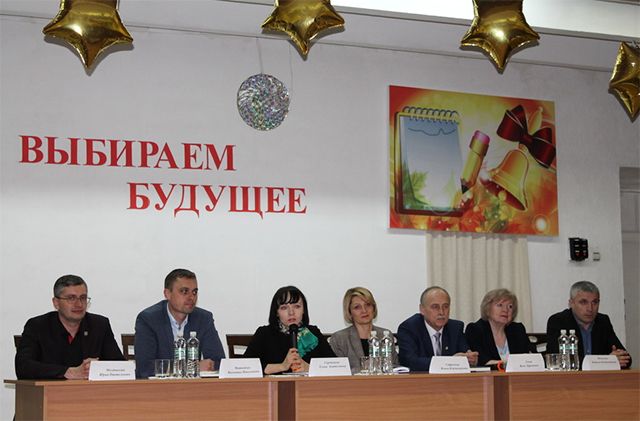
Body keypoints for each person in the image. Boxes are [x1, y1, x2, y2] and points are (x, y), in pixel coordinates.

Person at [15, 274, 124, 379]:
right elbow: (23, 366)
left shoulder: (99, 325)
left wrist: (99, 367)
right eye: (71, 298)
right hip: (51, 390)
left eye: (83, 298)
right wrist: (68, 372)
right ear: (56, 303)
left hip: (91, 391)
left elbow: (120, 367)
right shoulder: (37, 326)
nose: (79, 304)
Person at [134, 268, 225, 378]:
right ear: (167, 294)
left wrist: (210, 365)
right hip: (159, 386)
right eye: (184, 291)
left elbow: (219, 362)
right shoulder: (148, 319)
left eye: (194, 292)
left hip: (193, 387)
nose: (191, 297)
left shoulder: (203, 319)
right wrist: (191, 368)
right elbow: (144, 367)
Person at [244, 285, 335, 374]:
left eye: (297, 306)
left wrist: (308, 367)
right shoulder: (264, 334)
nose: (291, 312)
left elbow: (335, 366)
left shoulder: (313, 333)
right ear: (276, 312)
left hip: (308, 384)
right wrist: (282, 366)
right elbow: (245, 367)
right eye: (284, 308)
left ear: (304, 310)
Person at [546, 281, 631, 368]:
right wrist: (606, 361)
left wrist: (610, 360)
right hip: (572, 376)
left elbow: (627, 359)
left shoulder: (603, 321)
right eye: (583, 302)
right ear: (571, 303)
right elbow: (556, 359)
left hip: (600, 376)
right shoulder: (558, 321)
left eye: (595, 302)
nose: (590, 308)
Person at [397, 286, 478, 371]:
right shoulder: (409, 328)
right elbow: (410, 361)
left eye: (445, 306)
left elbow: (465, 354)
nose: (441, 312)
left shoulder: (455, 328)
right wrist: (450, 361)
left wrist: (470, 358)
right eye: (435, 307)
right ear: (422, 309)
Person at [330, 287, 398, 372]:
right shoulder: (340, 339)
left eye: (368, 305)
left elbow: (395, 366)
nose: (364, 310)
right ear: (349, 312)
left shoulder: (385, 335)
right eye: (357, 307)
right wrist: (365, 368)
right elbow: (337, 371)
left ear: (374, 308)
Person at [464, 289, 531, 367]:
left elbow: (530, 357)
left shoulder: (517, 330)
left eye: (510, 306)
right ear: (487, 308)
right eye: (500, 305)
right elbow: (481, 361)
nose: (505, 310)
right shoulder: (475, 330)